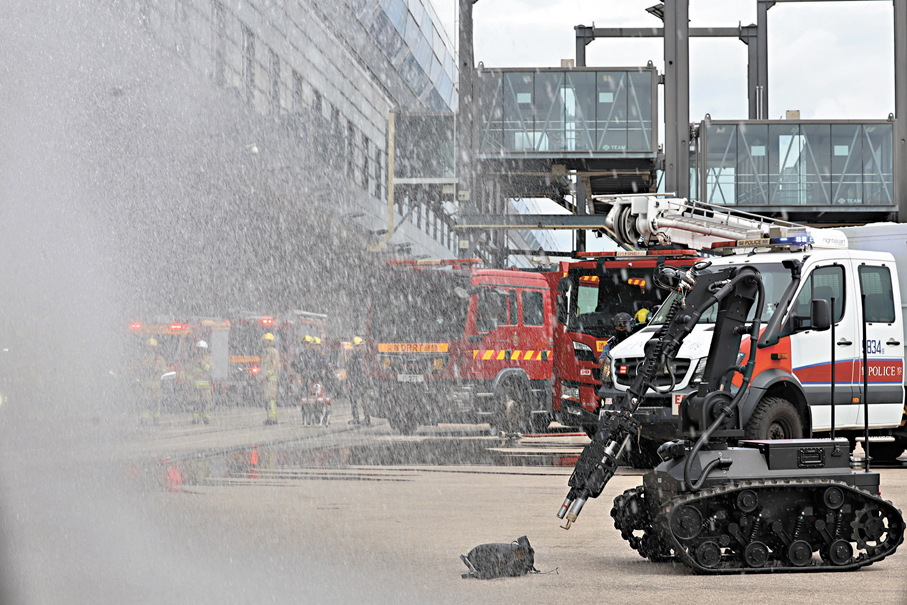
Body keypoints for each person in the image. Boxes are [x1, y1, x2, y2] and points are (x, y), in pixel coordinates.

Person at [139, 338, 167, 424]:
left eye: (151, 347)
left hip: (156, 386)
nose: (149, 348)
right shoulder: (143, 357)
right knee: (145, 403)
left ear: (154, 348)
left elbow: (164, 370)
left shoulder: (159, 359)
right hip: (145, 386)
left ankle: (156, 420)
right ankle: (144, 420)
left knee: (156, 404)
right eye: (148, 347)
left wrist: (157, 370)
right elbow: (139, 369)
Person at [346, 337, 369, 426]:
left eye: (358, 346)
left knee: (364, 401)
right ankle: (356, 418)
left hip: (362, 382)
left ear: (361, 346)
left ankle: (367, 419)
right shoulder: (353, 357)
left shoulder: (364, 356)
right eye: (355, 346)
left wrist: (364, 380)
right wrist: (348, 382)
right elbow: (350, 370)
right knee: (353, 400)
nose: (356, 348)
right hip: (354, 382)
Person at [189, 340, 213, 424]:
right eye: (199, 349)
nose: (200, 351)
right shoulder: (194, 360)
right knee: (195, 403)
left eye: (202, 349)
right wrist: (189, 384)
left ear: (205, 350)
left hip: (205, 388)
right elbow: (190, 372)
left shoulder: (208, 359)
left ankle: (206, 418)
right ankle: (195, 419)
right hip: (196, 387)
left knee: (205, 403)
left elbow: (209, 369)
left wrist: (201, 363)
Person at [259, 332, 280, 425]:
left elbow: (274, 366)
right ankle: (269, 417)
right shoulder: (264, 352)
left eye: (266, 341)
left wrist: (267, 374)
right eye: (264, 341)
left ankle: (273, 418)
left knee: (271, 399)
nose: (265, 342)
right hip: (265, 380)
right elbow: (262, 366)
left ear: (271, 342)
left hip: (271, 380)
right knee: (266, 400)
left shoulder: (274, 352)